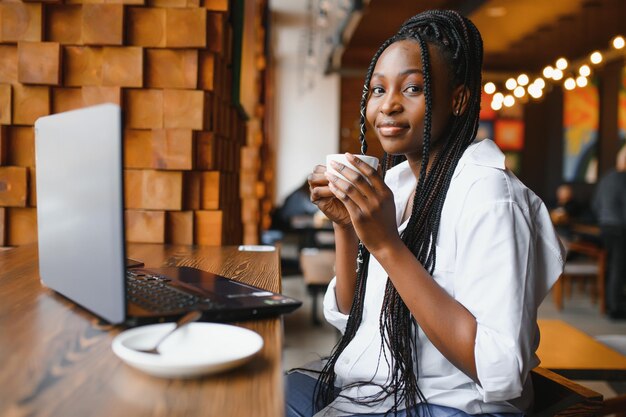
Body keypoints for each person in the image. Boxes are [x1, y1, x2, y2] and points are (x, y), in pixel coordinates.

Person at [287, 10, 565, 417]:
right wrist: (345, 226)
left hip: (449, 404)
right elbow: (351, 315)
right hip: (377, 386)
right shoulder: (398, 186)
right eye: (378, 90)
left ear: (459, 99)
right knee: (256, 393)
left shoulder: (489, 195)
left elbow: (499, 368)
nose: (389, 106)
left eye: (413, 88)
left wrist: (387, 245)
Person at [592, 145, 626, 319]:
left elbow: (596, 204)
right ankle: (615, 309)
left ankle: (607, 304)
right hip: (620, 229)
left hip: (605, 228)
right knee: (618, 268)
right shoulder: (623, 179)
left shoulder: (606, 178)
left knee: (611, 266)